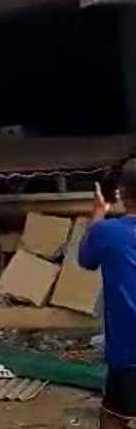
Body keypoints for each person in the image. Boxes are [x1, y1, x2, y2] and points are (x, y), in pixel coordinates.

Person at [78, 158, 136, 429]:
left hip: (128, 349)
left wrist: (98, 215)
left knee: (115, 418)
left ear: (120, 194)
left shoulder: (106, 232)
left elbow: (86, 259)